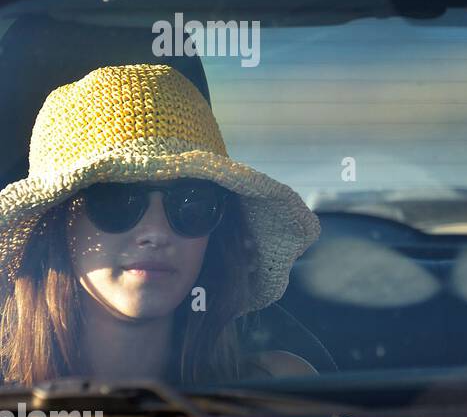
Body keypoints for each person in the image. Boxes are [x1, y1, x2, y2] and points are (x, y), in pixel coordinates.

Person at [0, 64, 322, 385]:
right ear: (56, 225)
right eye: (116, 200)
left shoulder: (280, 396)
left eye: (192, 204)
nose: (155, 232)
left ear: (218, 232)